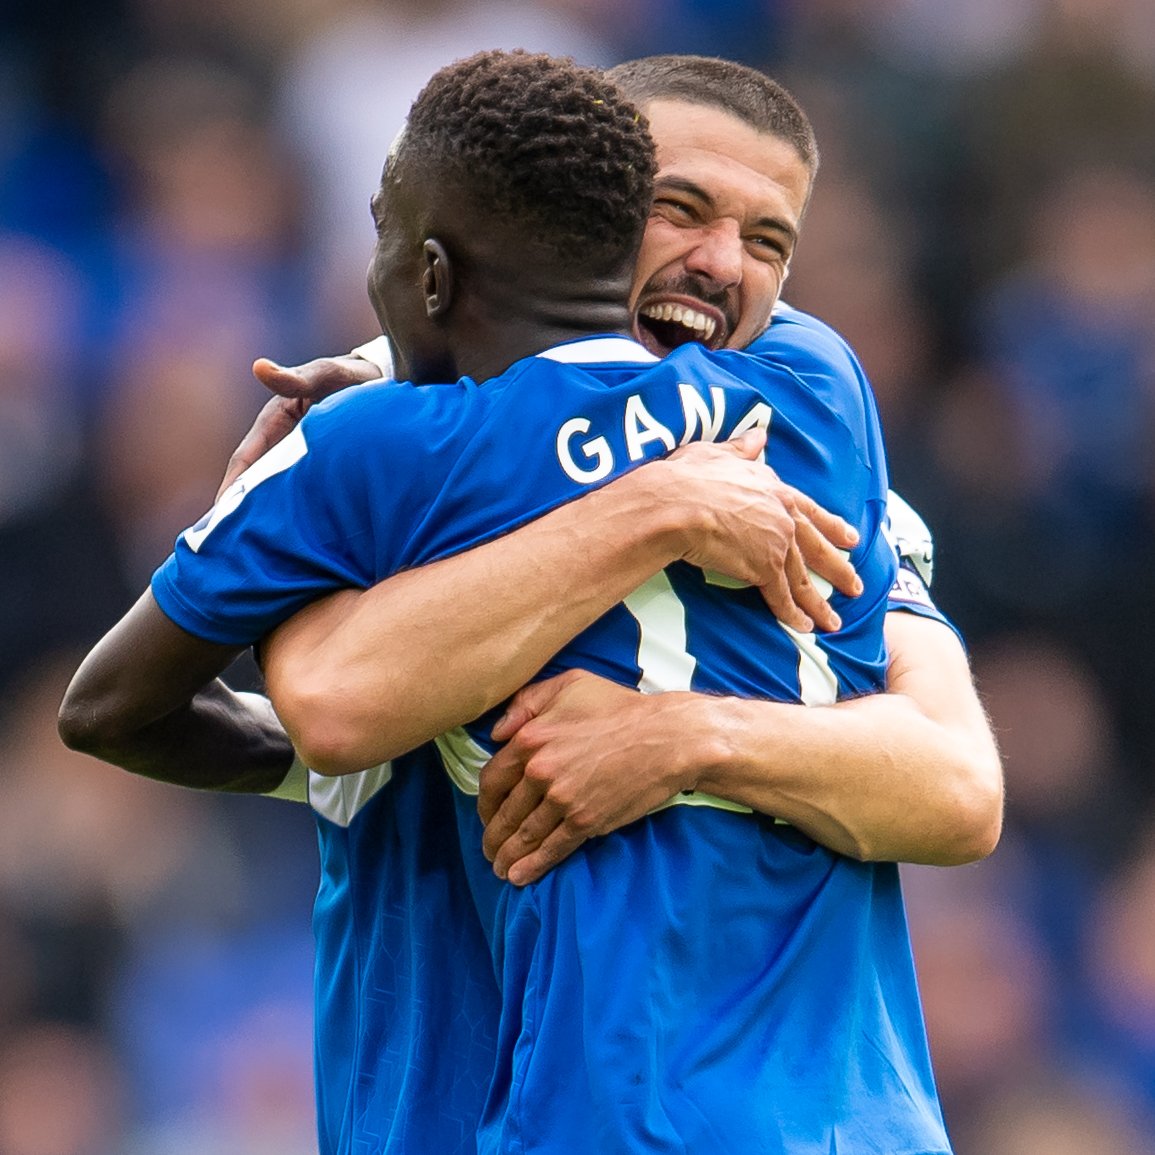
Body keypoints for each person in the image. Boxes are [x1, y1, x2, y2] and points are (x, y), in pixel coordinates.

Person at [58, 50, 974, 1154]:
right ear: (571, 214)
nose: (723, 262)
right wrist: (654, 508)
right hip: (443, 1095)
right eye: (677, 209)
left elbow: (955, 783)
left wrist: (683, 734)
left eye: (770, 239)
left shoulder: (803, 423)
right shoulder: (404, 425)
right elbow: (336, 711)